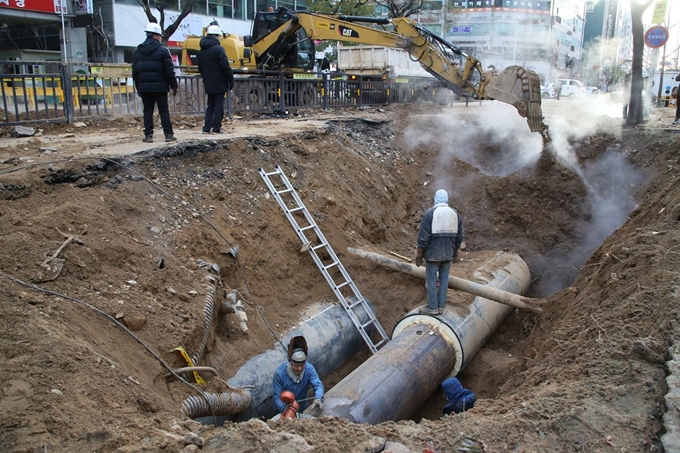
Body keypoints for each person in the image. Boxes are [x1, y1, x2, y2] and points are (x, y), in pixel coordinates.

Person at [415, 189, 464, 315]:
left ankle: (432, 307)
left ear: (435, 199)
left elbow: (423, 238)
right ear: (447, 199)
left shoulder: (430, 213)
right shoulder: (455, 214)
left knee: (431, 280)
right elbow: (459, 236)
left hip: (433, 254)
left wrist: (419, 255)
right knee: (444, 279)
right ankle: (441, 306)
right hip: (448, 253)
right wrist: (455, 251)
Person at [132, 22, 179, 143]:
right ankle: (168, 134)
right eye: (160, 36)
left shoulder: (138, 50)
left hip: (144, 87)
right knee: (163, 110)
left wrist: (139, 87)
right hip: (160, 87)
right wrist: (174, 85)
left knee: (147, 110)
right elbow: (169, 71)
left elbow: (135, 71)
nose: (161, 38)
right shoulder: (163, 51)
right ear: (156, 36)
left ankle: (148, 135)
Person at [272, 336, 324, 419]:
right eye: (296, 366)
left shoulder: (309, 369)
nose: (299, 368)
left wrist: (318, 398)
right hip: (284, 412)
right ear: (290, 362)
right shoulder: (280, 374)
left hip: (303, 409)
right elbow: (277, 396)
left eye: (302, 365)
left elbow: (318, 385)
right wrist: (286, 410)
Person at [198, 23, 234, 134]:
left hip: (208, 82)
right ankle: (217, 127)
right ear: (216, 36)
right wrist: (230, 80)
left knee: (210, 105)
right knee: (219, 106)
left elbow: (200, 68)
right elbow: (225, 67)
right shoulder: (219, 50)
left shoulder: (202, 51)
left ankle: (206, 127)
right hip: (219, 82)